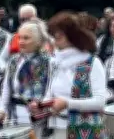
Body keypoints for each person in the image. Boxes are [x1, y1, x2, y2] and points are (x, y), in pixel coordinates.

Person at [39, 11, 108, 139]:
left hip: (86, 132)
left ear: (73, 37)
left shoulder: (92, 62)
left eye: (58, 36)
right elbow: (50, 93)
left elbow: (100, 102)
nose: (54, 41)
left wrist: (67, 104)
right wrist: (41, 106)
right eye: (54, 36)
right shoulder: (55, 62)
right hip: (57, 129)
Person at [0, 20, 52, 136]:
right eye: (20, 38)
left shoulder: (49, 62)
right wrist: (2, 109)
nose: (21, 42)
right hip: (15, 115)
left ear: (38, 41)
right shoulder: (14, 60)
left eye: (26, 38)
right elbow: (6, 88)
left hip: (38, 117)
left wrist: (42, 106)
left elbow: (50, 88)